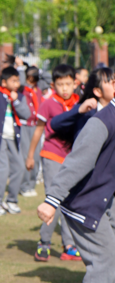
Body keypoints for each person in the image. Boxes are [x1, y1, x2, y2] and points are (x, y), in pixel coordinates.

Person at [37, 98, 115, 283]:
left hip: (105, 204)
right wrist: (51, 199)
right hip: (85, 204)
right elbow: (76, 162)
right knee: (104, 260)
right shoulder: (100, 122)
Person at [25, 64, 81, 262]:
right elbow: (38, 130)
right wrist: (31, 155)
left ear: (75, 84)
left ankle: (69, 245)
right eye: (60, 84)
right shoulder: (48, 103)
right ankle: (44, 243)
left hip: (74, 159)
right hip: (51, 157)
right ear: (53, 85)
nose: (65, 88)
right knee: (54, 201)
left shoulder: (81, 103)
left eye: (68, 84)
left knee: (72, 202)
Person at [0, 66, 30, 216]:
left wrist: (16, 102)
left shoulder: (19, 97)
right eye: (13, 81)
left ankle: (11, 200)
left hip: (13, 138)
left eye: (18, 80)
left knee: (20, 168)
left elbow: (27, 114)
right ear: (4, 82)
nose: (16, 84)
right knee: (3, 169)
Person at [50, 67, 115, 142]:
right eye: (111, 82)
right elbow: (54, 124)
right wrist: (79, 110)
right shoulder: (87, 113)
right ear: (98, 91)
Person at [19, 67, 43, 198]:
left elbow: (47, 78)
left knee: (36, 157)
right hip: (25, 125)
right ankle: (24, 185)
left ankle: (31, 184)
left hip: (37, 125)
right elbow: (21, 80)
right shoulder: (23, 89)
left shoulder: (38, 90)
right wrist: (22, 67)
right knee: (25, 156)